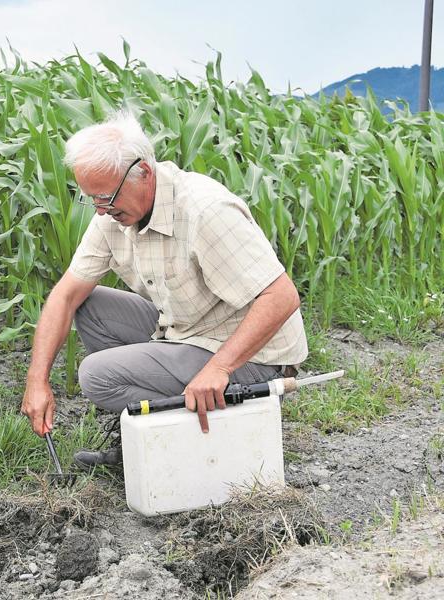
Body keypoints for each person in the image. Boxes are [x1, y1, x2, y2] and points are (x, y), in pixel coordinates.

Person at [20, 111, 308, 467]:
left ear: (143, 172)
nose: (100, 210)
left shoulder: (205, 210)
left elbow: (281, 297)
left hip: (255, 356)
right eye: (91, 199)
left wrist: (219, 369)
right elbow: (65, 296)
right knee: (88, 306)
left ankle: (186, 443)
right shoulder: (111, 214)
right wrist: (37, 380)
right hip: (187, 329)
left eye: (106, 197)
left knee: (96, 376)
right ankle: (154, 434)